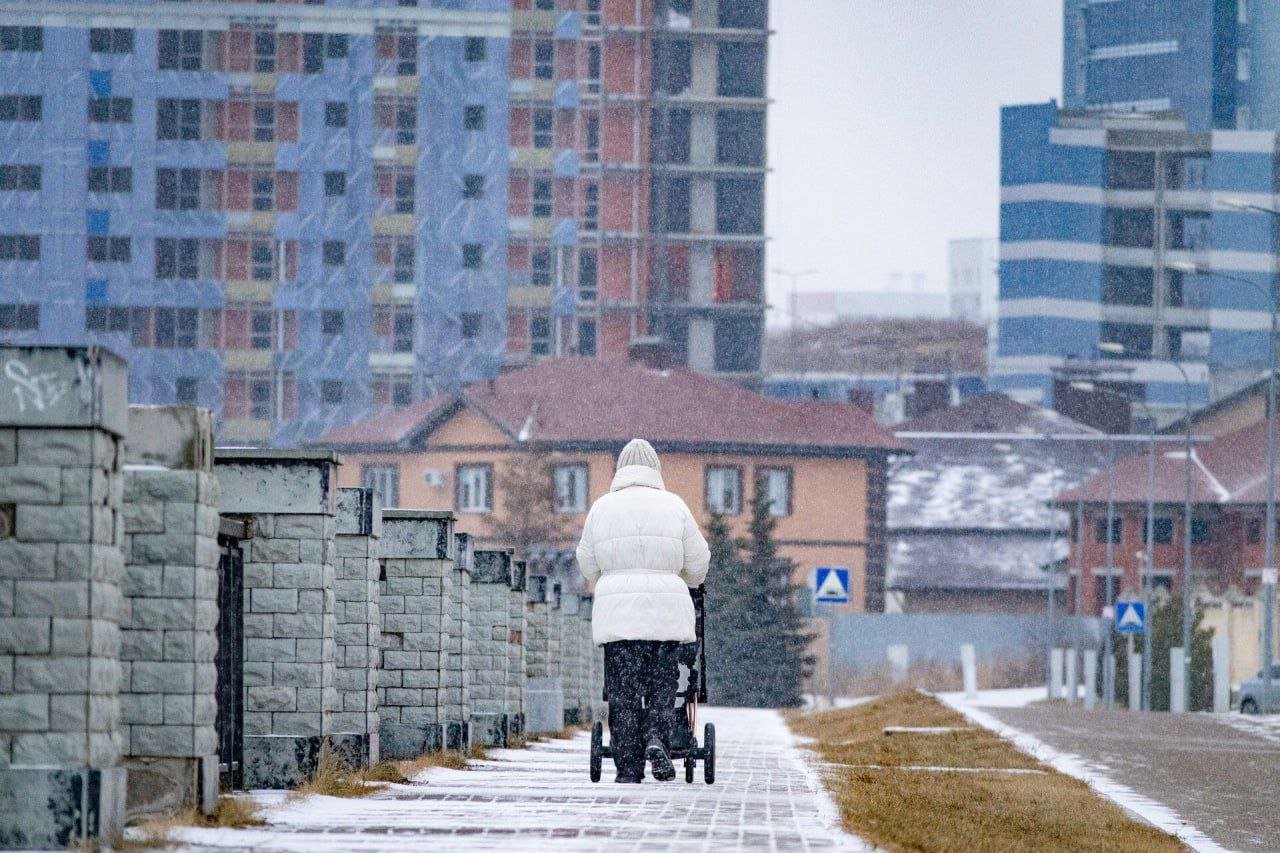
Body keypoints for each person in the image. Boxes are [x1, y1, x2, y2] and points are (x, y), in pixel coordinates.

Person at [576, 438, 710, 783]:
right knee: (662, 685)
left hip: (618, 618)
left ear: (620, 469)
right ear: (656, 469)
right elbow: (698, 565)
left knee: (622, 692)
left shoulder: (602, 507)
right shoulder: (675, 506)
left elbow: (587, 566)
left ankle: (628, 768)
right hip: (665, 616)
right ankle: (656, 737)